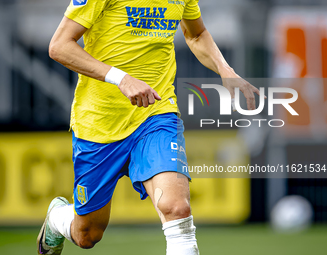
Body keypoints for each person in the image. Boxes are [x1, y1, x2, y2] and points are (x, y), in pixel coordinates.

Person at [37, 0, 260, 254]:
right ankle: (57, 218)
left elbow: (196, 33)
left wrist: (225, 69)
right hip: (99, 123)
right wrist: (121, 78)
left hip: (156, 113)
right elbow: (59, 46)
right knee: (87, 234)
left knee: (177, 208)